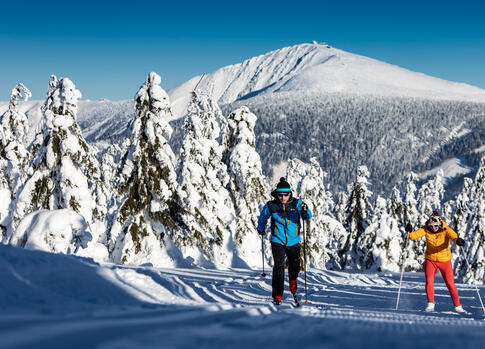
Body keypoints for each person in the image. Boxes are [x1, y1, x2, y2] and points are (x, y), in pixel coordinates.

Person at [257, 177, 312, 305]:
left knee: (295, 265)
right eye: (280, 194)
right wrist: (260, 228)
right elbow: (263, 216)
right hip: (278, 240)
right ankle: (277, 294)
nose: (283, 197)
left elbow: (307, 216)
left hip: (294, 240)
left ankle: (293, 281)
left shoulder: (297, 204)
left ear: (290, 193)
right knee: (278, 267)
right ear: (276, 194)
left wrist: (305, 210)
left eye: (285, 194)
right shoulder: (271, 205)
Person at [406, 209, 466, 313]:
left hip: (445, 261)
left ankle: (458, 306)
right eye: (432, 225)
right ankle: (430, 305)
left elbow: (454, 237)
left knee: (450, 284)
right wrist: (408, 231)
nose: (434, 228)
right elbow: (413, 236)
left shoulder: (446, 230)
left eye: (436, 225)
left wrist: (458, 241)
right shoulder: (426, 229)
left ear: (440, 224)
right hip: (431, 260)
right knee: (429, 282)